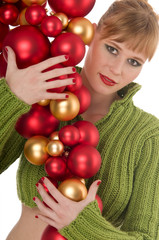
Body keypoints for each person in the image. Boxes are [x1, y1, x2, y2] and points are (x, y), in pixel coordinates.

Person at [1, 0, 159, 239]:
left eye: (133, 62)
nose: (117, 69)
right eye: (113, 49)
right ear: (92, 33)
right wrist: (13, 97)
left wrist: (83, 224)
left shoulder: (148, 136)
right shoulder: (42, 93)